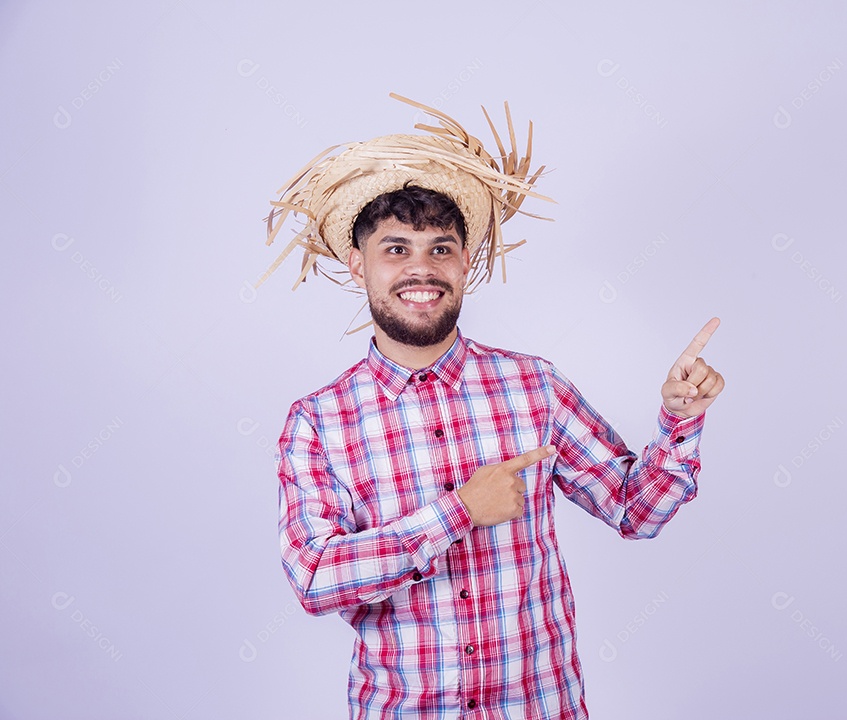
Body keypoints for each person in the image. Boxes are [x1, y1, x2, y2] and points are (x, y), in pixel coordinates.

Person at [261, 96, 724, 719]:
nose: (421, 269)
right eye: (396, 249)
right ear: (357, 264)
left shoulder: (532, 386)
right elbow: (315, 578)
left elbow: (636, 511)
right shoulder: (319, 423)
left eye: (440, 249)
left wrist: (681, 419)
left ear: (466, 262)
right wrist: (459, 512)